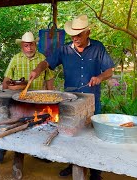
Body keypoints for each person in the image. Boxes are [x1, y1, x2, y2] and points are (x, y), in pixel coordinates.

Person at [29, 15, 115, 180]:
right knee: (71, 134)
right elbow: (46, 62)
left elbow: (109, 71)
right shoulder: (64, 49)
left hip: (92, 101)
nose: (75, 38)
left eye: (79, 34)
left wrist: (99, 77)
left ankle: (95, 172)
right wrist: (37, 70)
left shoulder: (98, 47)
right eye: (73, 35)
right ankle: (72, 163)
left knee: (92, 135)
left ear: (88, 32)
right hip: (71, 100)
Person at [0, 32, 55, 163]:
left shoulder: (42, 59)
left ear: (35, 45)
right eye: (26, 46)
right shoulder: (15, 58)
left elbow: (49, 79)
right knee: (14, 123)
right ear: (22, 47)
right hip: (19, 99)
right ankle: (2, 149)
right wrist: (5, 93)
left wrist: (50, 95)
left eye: (31, 45)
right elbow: (7, 78)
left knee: (36, 124)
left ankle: (38, 153)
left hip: (37, 99)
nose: (29, 48)